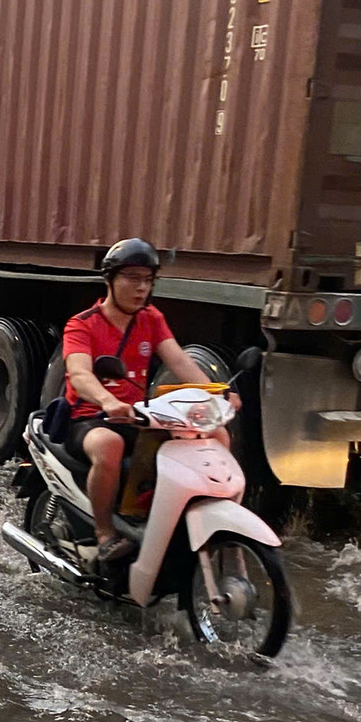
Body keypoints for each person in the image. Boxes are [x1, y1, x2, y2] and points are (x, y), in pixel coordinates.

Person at [61, 238, 229, 571]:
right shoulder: (82, 324)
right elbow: (79, 374)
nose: (141, 288)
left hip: (140, 417)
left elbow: (180, 362)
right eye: (132, 278)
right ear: (110, 279)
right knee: (109, 445)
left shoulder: (151, 318)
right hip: (90, 418)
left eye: (148, 280)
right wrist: (108, 401)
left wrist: (216, 394)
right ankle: (105, 533)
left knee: (214, 436)